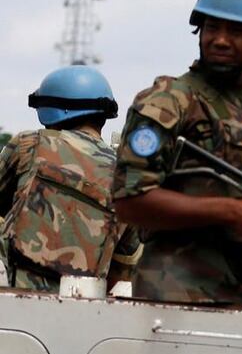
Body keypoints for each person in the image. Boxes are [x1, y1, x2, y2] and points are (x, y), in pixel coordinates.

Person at [112, 0, 242, 305]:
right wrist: (230, 211)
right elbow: (130, 201)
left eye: (236, 31)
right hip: (176, 296)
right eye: (212, 27)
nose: (220, 40)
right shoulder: (169, 102)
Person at [0, 66, 140, 291]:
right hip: (81, 304)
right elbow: (125, 267)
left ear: (49, 110)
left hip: (12, 295)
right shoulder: (128, 176)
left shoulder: (31, 144)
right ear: (104, 116)